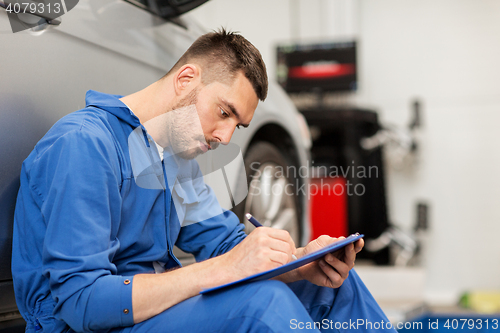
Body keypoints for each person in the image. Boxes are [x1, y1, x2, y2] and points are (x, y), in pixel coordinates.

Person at [12, 29, 396, 332]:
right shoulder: (85, 144)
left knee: (332, 286)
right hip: (87, 325)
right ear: (186, 78)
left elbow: (225, 244)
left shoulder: (176, 160)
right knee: (263, 305)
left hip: (153, 314)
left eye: (237, 124)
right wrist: (226, 269)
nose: (226, 137)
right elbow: (82, 301)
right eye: (224, 112)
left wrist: (299, 263)